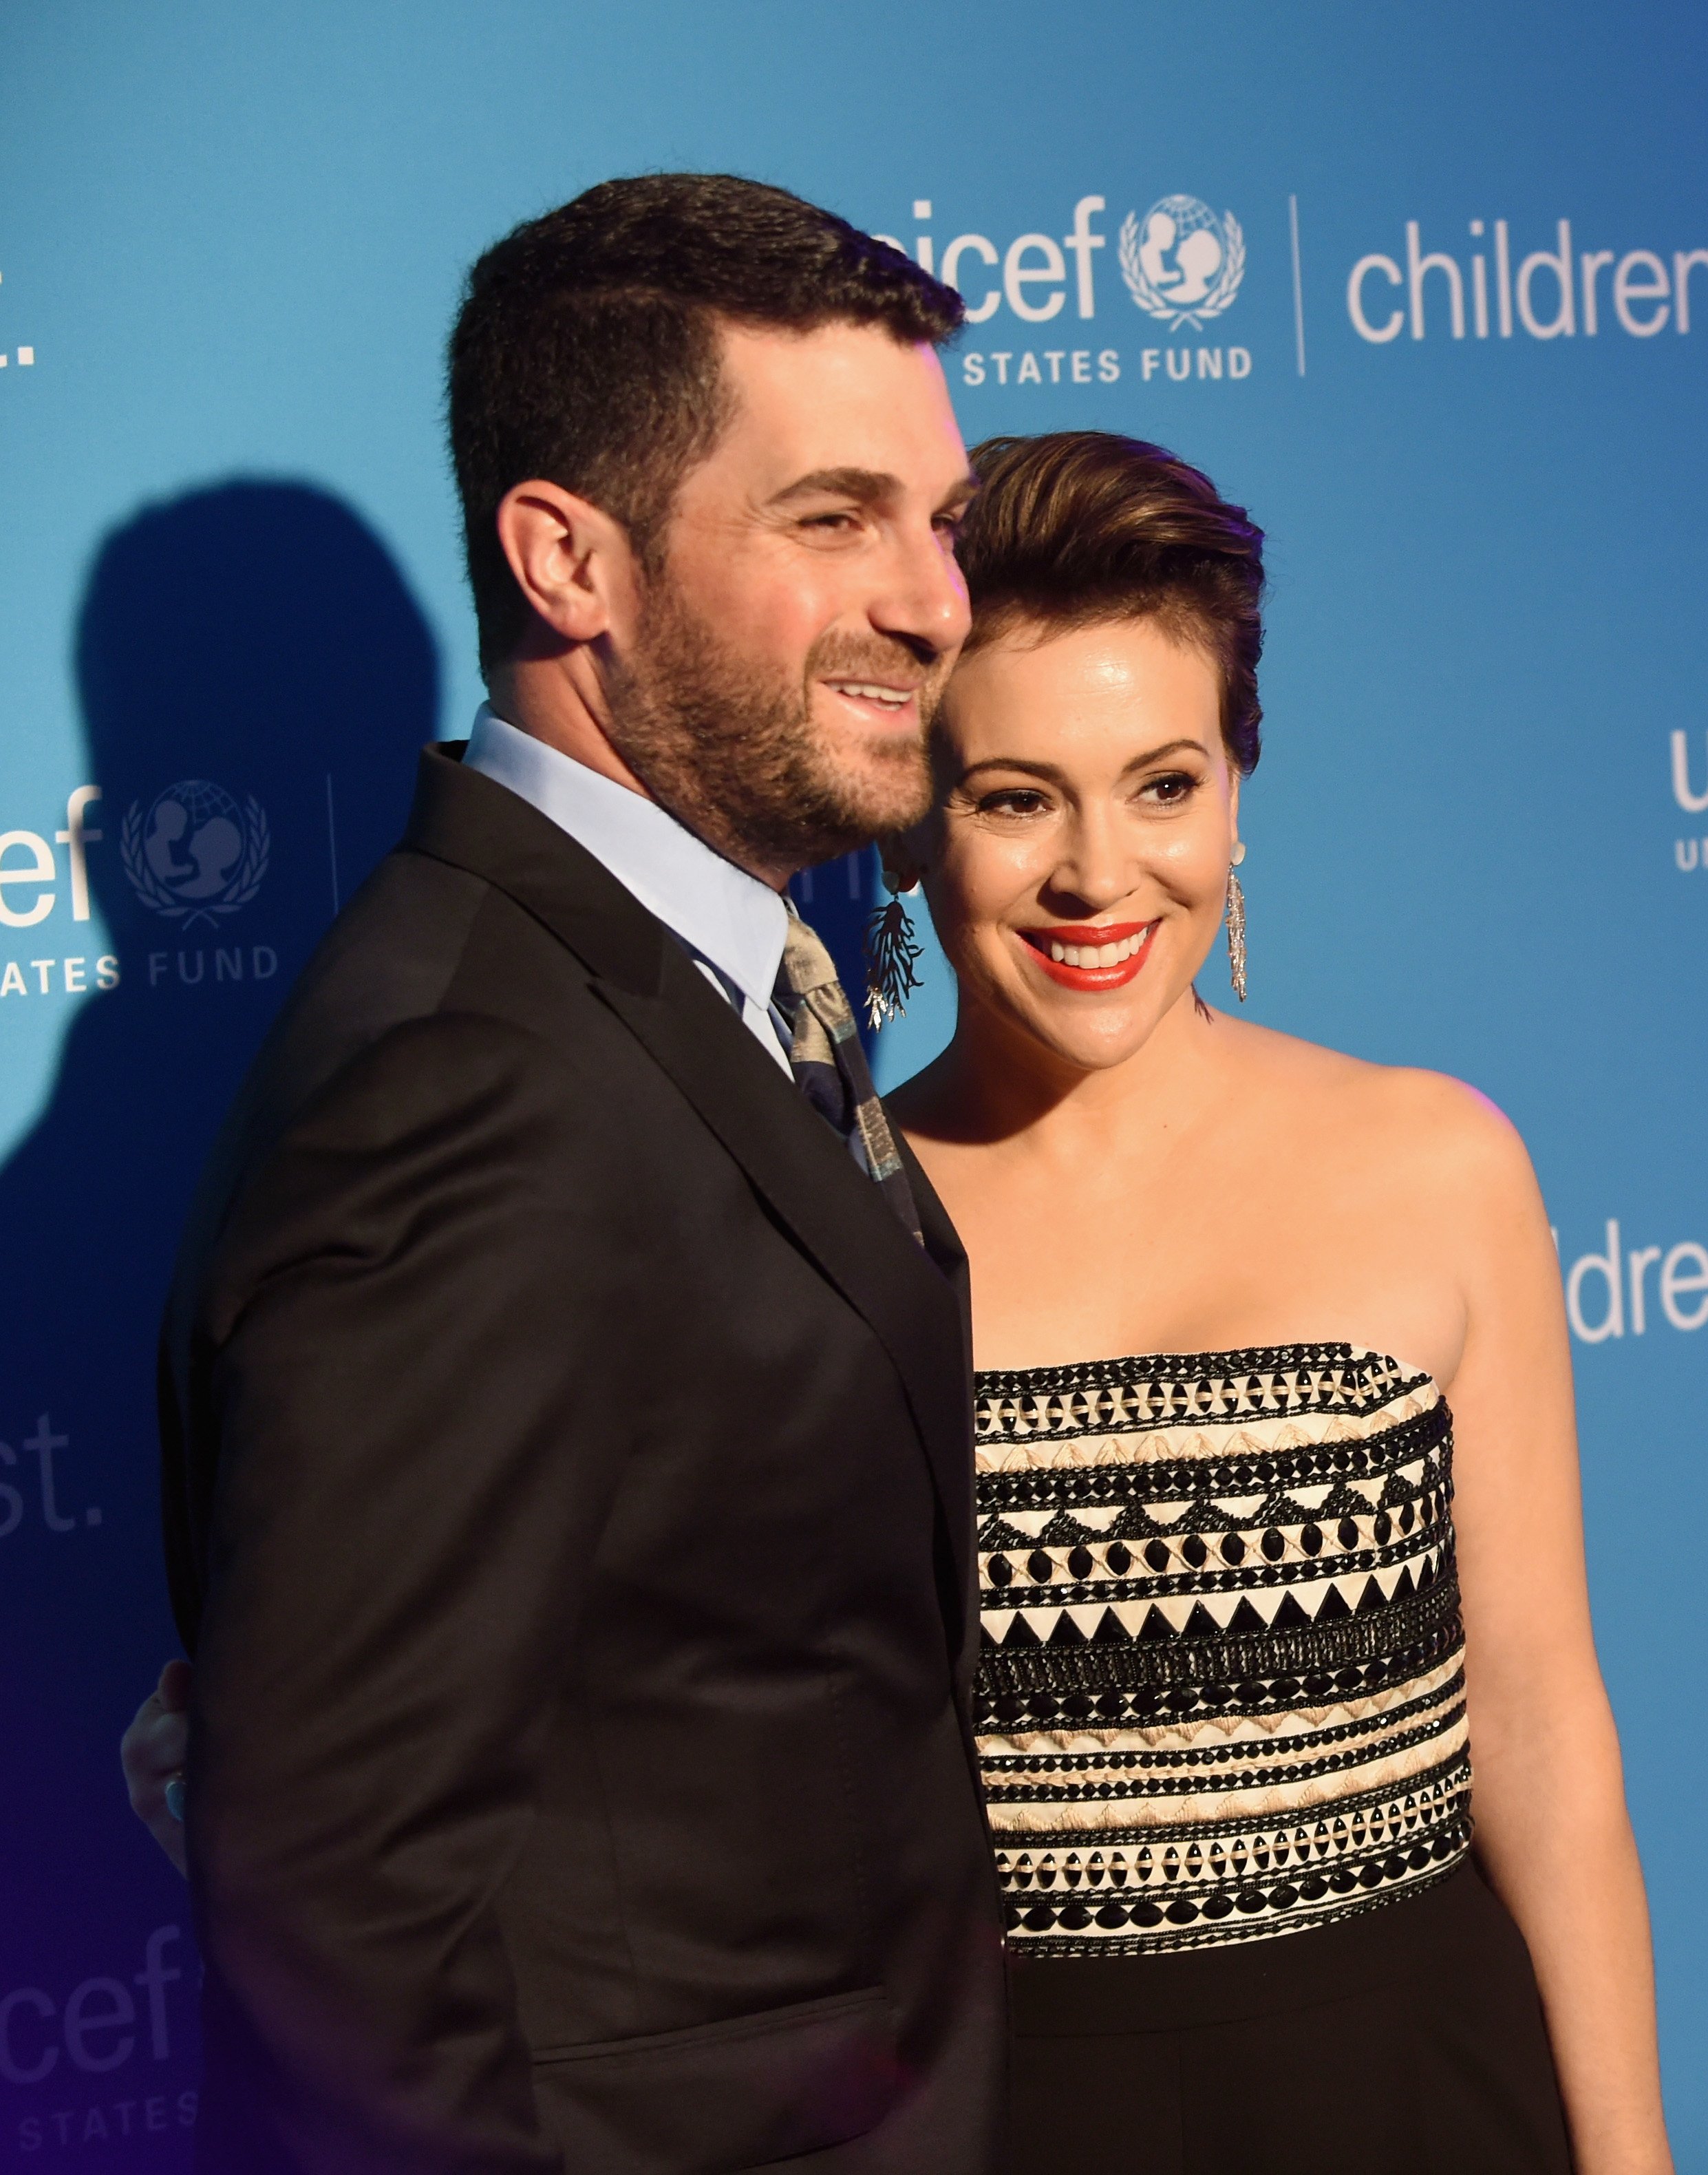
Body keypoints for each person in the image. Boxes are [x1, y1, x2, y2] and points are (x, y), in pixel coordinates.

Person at [151, 173, 1007, 2174]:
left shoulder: (709, 977)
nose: (930, 599)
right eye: (831, 518)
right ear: (569, 560)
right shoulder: (465, 1082)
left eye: (935, 521)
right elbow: (349, 1929)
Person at [877, 431, 1672, 2174]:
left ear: (1239, 781)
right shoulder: (829, 1207)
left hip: (1417, 2094)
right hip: (1009, 2116)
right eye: (1014, 797)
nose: (1099, 875)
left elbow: (1540, 1726)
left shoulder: (1434, 1162)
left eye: (1161, 782)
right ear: (914, 819)